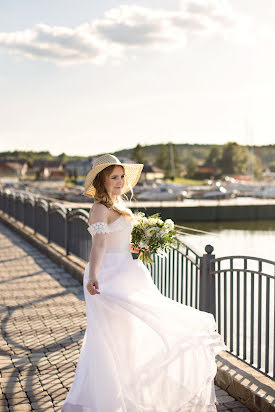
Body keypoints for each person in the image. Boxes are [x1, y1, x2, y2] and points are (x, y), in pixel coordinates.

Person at [61, 154, 227, 412]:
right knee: (108, 339)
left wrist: (143, 244)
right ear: (102, 181)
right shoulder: (98, 209)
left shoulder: (120, 207)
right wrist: (93, 275)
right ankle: (107, 401)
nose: (119, 181)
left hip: (131, 273)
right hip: (108, 277)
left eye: (121, 177)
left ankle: (129, 394)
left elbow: (124, 243)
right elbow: (99, 245)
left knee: (132, 336)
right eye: (113, 177)